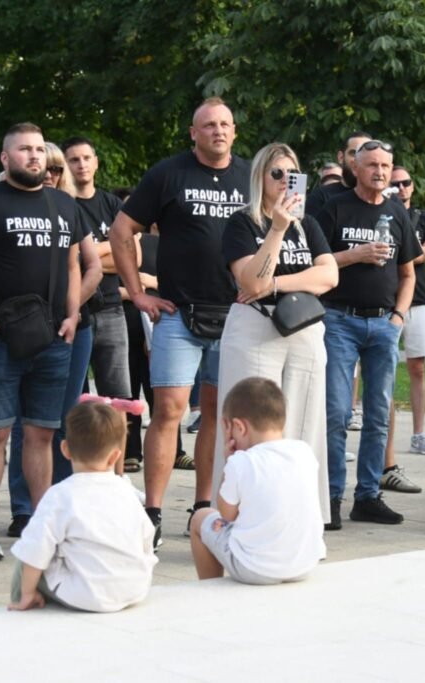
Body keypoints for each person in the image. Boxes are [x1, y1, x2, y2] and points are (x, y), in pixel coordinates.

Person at [109, 98, 250, 546]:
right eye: (208, 125)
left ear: (234, 131)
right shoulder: (168, 174)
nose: (218, 131)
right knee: (169, 411)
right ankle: (152, 512)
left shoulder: (252, 176)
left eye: (225, 124)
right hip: (179, 313)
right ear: (193, 132)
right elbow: (121, 231)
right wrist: (137, 292)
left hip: (237, 315)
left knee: (217, 414)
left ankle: (203, 508)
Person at [0, 123, 87, 559]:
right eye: (24, 149)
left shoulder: (64, 203)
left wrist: (73, 314)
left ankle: (40, 525)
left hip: (52, 337)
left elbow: (73, 264)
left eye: (39, 149)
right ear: (5, 158)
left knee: (42, 433)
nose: (34, 156)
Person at [216, 142, 338, 521]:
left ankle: (301, 517)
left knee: (304, 424)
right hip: (255, 327)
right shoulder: (243, 223)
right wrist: (277, 230)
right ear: (260, 177)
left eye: (292, 173)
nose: (285, 180)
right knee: (251, 422)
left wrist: (276, 284)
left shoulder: (309, 225)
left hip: (303, 327)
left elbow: (329, 276)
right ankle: (245, 514)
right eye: (276, 173)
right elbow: (250, 281)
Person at [316, 139, 421, 529]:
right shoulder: (334, 208)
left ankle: (368, 497)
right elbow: (314, 262)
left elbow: (408, 273)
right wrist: (354, 255)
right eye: (372, 164)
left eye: (385, 165)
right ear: (355, 169)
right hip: (338, 321)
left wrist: (398, 317)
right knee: (337, 413)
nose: (379, 171)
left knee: (378, 414)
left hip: (383, 325)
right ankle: (330, 498)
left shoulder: (397, 213)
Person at [4, 142, 103, 539]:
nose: (49, 174)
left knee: (62, 419)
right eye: (44, 167)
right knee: (23, 422)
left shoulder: (71, 209)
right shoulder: (10, 206)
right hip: (23, 328)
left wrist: (70, 309)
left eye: (56, 168)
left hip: (72, 328)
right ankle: (24, 507)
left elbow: (94, 266)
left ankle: (60, 500)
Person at [8, 401, 157, 612]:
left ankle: (22, 599)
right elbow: (147, 539)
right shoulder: (127, 491)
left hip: (87, 594)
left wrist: (28, 592)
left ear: (65, 449)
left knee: (27, 550)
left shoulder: (59, 494)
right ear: (115, 456)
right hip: (135, 588)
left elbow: (35, 549)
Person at [190, 378, 325, 583]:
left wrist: (228, 461)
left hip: (254, 569)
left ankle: (210, 586)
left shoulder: (241, 462)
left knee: (200, 518)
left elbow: (226, 515)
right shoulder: (304, 451)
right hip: (304, 565)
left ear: (239, 427)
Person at [63, 136, 132, 413]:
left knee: (118, 399)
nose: (81, 164)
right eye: (74, 160)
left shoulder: (113, 204)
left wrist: (87, 255)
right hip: (73, 310)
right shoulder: (61, 205)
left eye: (86, 158)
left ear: (96, 163)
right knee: (71, 398)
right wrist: (109, 248)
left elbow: (132, 257)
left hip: (111, 309)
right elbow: (63, 261)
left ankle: (120, 445)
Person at [389, 166, 425, 455]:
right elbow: (387, 253)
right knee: (384, 370)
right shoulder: (384, 214)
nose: (401, 188)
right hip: (388, 301)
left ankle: (419, 433)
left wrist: (403, 251)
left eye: (406, 182)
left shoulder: (423, 217)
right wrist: (419, 250)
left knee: (417, 368)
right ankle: (383, 434)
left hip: (419, 301)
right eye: (395, 183)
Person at [305, 131, 372, 216]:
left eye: (365, 155)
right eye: (353, 153)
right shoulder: (320, 197)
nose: (359, 159)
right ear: (341, 157)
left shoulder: (383, 199)